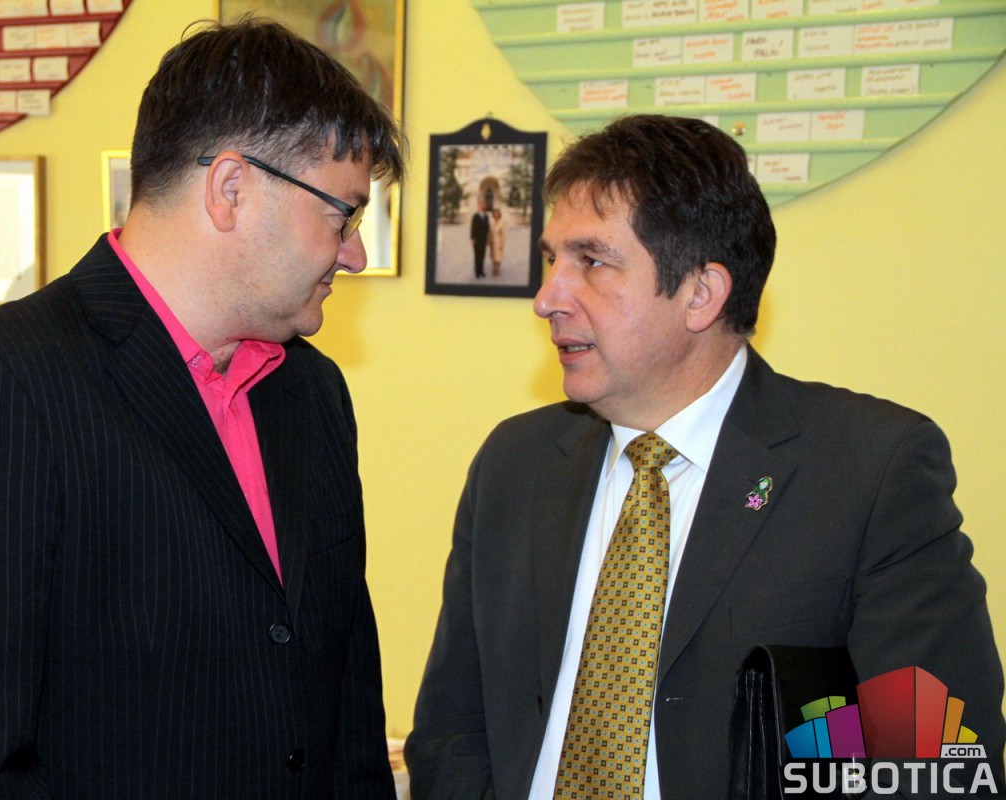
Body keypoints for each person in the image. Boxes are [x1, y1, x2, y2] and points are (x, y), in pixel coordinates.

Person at [0, 17, 404, 799]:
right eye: (342, 215)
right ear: (231, 189)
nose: (354, 253)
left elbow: (344, 700)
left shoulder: (309, 391)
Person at [405, 114, 1004, 799]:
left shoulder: (869, 471)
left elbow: (935, 762)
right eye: (551, 260)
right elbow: (453, 730)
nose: (548, 299)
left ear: (701, 294)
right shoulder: (516, 463)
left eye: (591, 262)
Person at [470, 200, 490, 279]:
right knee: (477, 256)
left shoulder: (486, 216)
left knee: (482, 256)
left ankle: (481, 271)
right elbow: (473, 227)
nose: (483, 206)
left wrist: (488, 238)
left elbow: (487, 228)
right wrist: (472, 238)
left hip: (484, 239)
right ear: (479, 206)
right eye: (482, 205)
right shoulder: (475, 216)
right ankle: (477, 272)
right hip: (477, 239)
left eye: (484, 205)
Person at [489, 207, 505, 277]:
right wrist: (489, 241)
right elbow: (490, 233)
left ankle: (497, 269)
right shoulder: (492, 223)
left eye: (497, 213)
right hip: (492, 242)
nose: (496, 215)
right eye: (494, 213)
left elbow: (502, 235)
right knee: (493, 256)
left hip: (498, 241)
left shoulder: (501, 223)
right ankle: (494, 268)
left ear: (499, 214)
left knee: (498, 256)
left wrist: (502, 244)